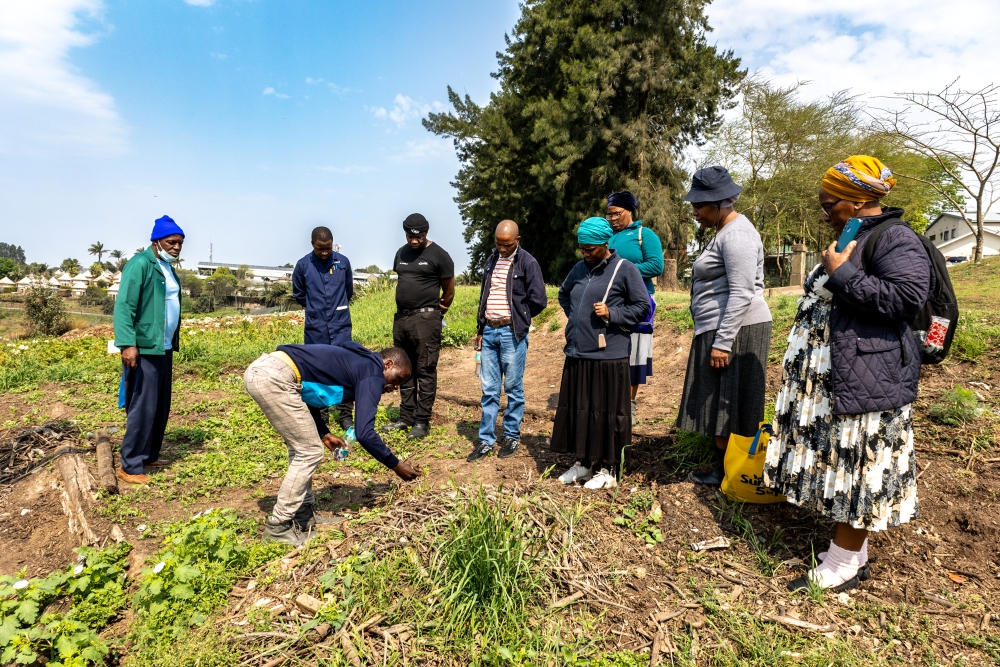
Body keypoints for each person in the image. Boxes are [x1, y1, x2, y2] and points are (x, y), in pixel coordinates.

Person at [764, 156, 931, 592]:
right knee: (842, 459)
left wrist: (842, 274)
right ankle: (852, 554)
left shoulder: (895, 237)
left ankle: (843, 567)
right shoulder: (857, 234)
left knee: (857, 464)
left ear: (856, 201)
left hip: (866, 376)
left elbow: (906, 299)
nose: (824, 212)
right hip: (842, 375)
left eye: (829, 204)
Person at [244, 342, 421, 546]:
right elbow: (364, 433)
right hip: (274, 376)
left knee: (302, 448)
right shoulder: (373, 371)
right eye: (398, 379)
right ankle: (278, 527)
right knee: (308, 452)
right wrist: (396, 465)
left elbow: (307, 393)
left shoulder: (361, 364)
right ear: (388, 364)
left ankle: (303, 514)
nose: (396, 387)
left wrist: (323, 433)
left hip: (271, 371)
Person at [677, 166, 773, 486]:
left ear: (720, 203)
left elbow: (742, 292)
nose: (695, 212)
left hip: (737, 329)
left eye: (699, 206)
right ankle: (725, 470)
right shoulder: (723, 232)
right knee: (719, 399)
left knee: (730, 401)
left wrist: (723, 342)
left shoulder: (737, 235)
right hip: (722, 327)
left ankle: (733, 473)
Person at [551, 218, 650, 489]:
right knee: (582, 410)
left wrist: (612, 313)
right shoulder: (579, 268)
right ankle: (584, 463)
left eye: (591, 249)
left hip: (609, 356)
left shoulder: (624, 269)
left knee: (607, 412)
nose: (585, 253)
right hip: (578, 351)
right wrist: (578, 319)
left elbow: (642, 306)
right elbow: (564, 294)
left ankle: (609, 468)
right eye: (582, 248)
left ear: (605, 244)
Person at [466, 221, 548, 462]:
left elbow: (539, 300)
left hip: (512, 333)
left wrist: (520, 318)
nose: (502, 249)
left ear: (517, 240)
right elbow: (485, 295)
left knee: (513, 387)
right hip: (489, 331)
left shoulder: (527, 263)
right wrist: (481, 329)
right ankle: (486, 440)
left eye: (507, 245)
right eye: (498, 244)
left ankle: (511, 435)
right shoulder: (491, 260)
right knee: (489, 389)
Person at [113, 215, 185, 485]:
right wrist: (127, 344)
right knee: (143, 406)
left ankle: (150, 455)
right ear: (156, 241)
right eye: (171, 242)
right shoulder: (140, 264)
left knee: (160, 405)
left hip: (163, 346)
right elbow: (124, 307)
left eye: (180, 243)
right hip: (144, 347)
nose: (176, 247)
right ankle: (130, 465)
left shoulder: (166, 268)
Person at [382, 214, 455, 440]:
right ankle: (406, 417)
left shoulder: (440, 255)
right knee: (403, 368)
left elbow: (449, 291)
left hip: (426, 320)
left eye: (419, 237)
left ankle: (422, 421)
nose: (414, 241)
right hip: (401, 319)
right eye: (410, 237)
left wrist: (434, 313)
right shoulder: (400, 253)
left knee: (425, 370)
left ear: (426, 233)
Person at [606, 191, 664, 426]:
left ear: (629, 211)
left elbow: (656, 265)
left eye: (616, 213)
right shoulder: (608, 237)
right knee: (612, 353)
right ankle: (609, 404)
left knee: (634, 355)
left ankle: (627, 408)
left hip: (637, 301)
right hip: (611, 303)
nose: (612, 219)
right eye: (609, 214)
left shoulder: (644, 235)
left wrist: (624, 270)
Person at [292, 226, 355, 431]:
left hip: (340, 325)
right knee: (317, 370)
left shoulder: (343, 263)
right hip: (316, 327)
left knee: (345, 369)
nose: (325, 252)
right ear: (312, 244)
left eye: (328, 248)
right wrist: (316, 309)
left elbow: (348, 291)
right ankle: (321, 415)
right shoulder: (303, 265)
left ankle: (345, 415)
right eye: (320, 248)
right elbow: (299, 294)